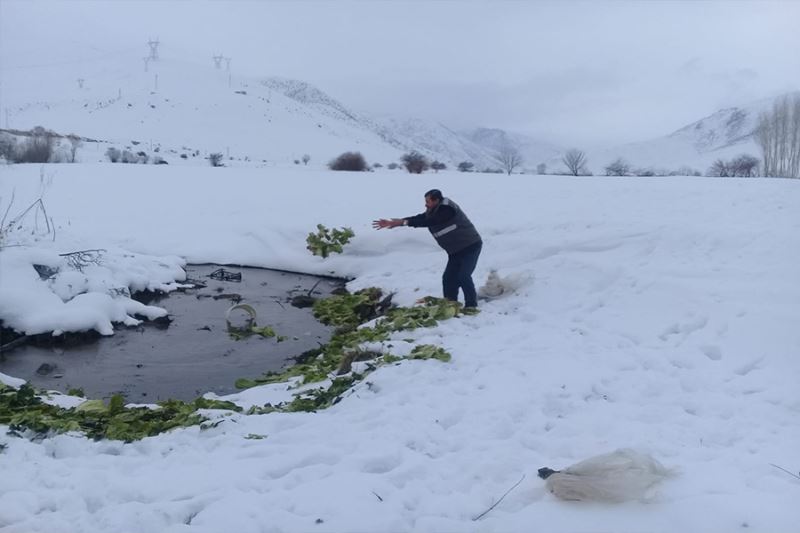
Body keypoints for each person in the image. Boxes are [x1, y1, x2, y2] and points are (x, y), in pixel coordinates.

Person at [372, 189, 482, 308]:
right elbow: (420, 217)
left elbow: (430, 221)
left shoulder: (447, 209)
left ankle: (471, 305)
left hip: (470, 246)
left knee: (463, 276)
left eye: (427, 201)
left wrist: (404, 222)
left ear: (436, 200)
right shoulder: (434, 209)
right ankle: (450, 303)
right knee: (448, 278)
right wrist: (398, 222)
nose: (425, 204)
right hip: (455, 250)